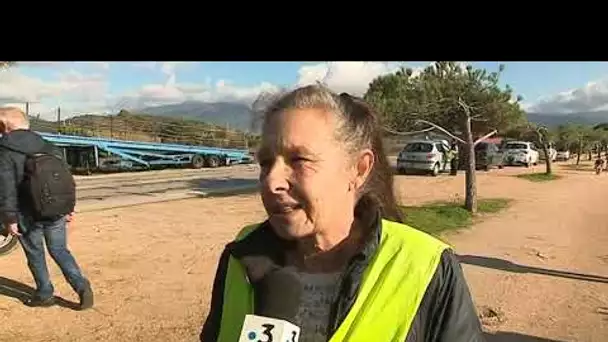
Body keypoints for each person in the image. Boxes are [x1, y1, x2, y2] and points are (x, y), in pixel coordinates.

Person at [200, 85, 484, 342]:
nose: (271, 182)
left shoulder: (427, 267)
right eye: (265, 162)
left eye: (299, 159)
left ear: (358, 169)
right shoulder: (241, 255)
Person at [0, 107, 93, 309]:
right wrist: (69, 208)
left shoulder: (5, 150)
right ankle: (81, 285)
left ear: (5, 127)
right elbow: (66, 180)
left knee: (35, 253)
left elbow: (5, 187)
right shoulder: (50, 146)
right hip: (55, 209)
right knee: (60, 249)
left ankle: (44, 293)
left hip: (26, 214)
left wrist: (9, 218)